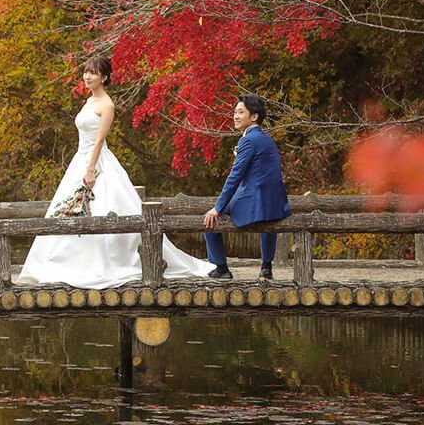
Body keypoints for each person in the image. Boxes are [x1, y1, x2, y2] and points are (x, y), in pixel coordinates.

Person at [17, 57, 214, 289]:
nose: (87, 77)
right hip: (80, 158)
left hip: (96, 161)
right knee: (69, 211)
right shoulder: (89, 101)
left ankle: (111, 263)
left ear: (105, 77)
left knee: (106, 206)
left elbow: (100, 140)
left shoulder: (107, 105)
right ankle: (67, 263)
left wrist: (91, 170)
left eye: (93, 73)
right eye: (85, 72)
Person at [202, 95, 292, 280]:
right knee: (268, 221)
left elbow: (235, 176)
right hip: (275, 202)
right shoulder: (266, 139)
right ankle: (266, 267)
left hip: (253, 199)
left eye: (240, 112)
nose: (235, 116)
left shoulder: (248, 140)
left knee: (208, 219)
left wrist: (217, 208)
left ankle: (221, 268)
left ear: (254, 117)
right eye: (235, 112)